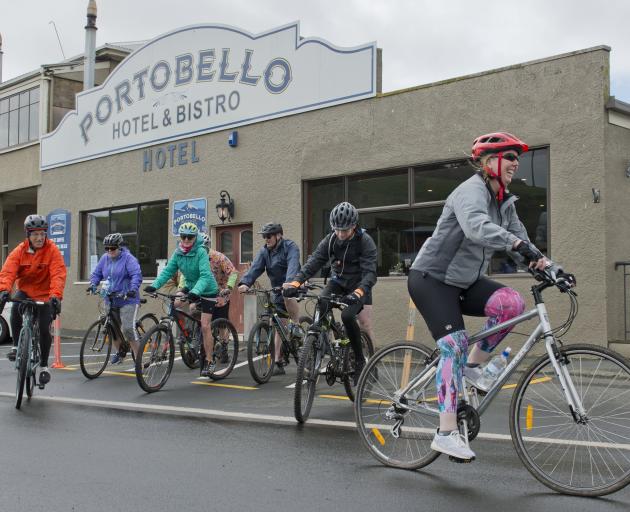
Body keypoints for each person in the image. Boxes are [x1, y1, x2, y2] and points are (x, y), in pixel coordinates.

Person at [407, 132, 575, 461]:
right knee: (453, 343)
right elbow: (476, 227)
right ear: (488, 162)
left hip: (465, 280)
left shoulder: (505, 202)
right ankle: (445, 432)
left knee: (511, 303)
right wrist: (517, 246)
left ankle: (472, 367)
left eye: (517, 158)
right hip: (432, 278)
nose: (515, 162)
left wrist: (549, 266)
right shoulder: (469, 192)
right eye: (509, 156)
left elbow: (521, 240)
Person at [283, 202, 377, 385]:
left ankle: (360, 361)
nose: (341, 234)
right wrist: (296, 282)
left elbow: (370, 274)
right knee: (322, 302)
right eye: (337, 229)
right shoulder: (331, 239)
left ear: (354, 226)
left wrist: (358, 292)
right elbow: (314, 262)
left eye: (345, 230)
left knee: (350, 317)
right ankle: (319, 340)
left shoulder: (365, 241)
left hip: (358, 286)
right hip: (337, 282)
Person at [0, 215, 67, 387]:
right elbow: (8, 272)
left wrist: (55, 296)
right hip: (26, 291)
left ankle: (44, 366)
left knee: (45, 328)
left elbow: (58, 274)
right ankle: (16, 347)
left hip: (45, 294)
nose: (39, 237)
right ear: (28, 235)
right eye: (35, 234)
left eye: (42, 234)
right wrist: (4, 290)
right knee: (15, 308)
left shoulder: (52, 251)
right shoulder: (20, 251)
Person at [144, 223, 218, 376]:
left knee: (205, 326)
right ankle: (187, 333)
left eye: (189, 237)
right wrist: (154, 285)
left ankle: (210, 360)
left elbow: (205, 276)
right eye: (183, 236)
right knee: (176, 302)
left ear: (195, 237)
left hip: (208, 290)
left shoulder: (201, 252)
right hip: (191, 287)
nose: (186, 239)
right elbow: (168, 271)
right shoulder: (178, 253)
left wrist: (196, 291)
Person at [238, 223, 301, 376]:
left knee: (287, 298)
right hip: (276, 289)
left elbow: (293, 265)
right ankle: (278, 361)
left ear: (278, 235)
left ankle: (297, 324)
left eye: (268, 236)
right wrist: (245, 283)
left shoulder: (290, 247)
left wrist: (290, 282)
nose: (266, 239)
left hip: (293, 284)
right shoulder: (264, 252)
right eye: (264, 236)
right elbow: (255, 268)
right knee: (278, 322)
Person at [177, 233, 238, 363]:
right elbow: (185, 275)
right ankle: (195, 342)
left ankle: (224, 347)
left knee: (221, 323)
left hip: (220, 292)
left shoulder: (218, 257)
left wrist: (229, 288)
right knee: (193, 309)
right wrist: (181, 289)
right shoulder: (193, 256)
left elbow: (233, 272)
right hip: (201, 291)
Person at [87, 233, 143, 363]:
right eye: (107, 248)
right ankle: (120, 352)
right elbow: (96, 274)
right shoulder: (104, 258)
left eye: (112, 248)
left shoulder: (129, 259)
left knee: (128, 329)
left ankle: (139, 359)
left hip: (127, 299)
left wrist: (133, 289)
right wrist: (93, 285)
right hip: (110, 298)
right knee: (111, 328)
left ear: (119, 246)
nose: (109, 251)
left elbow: (136, 275)